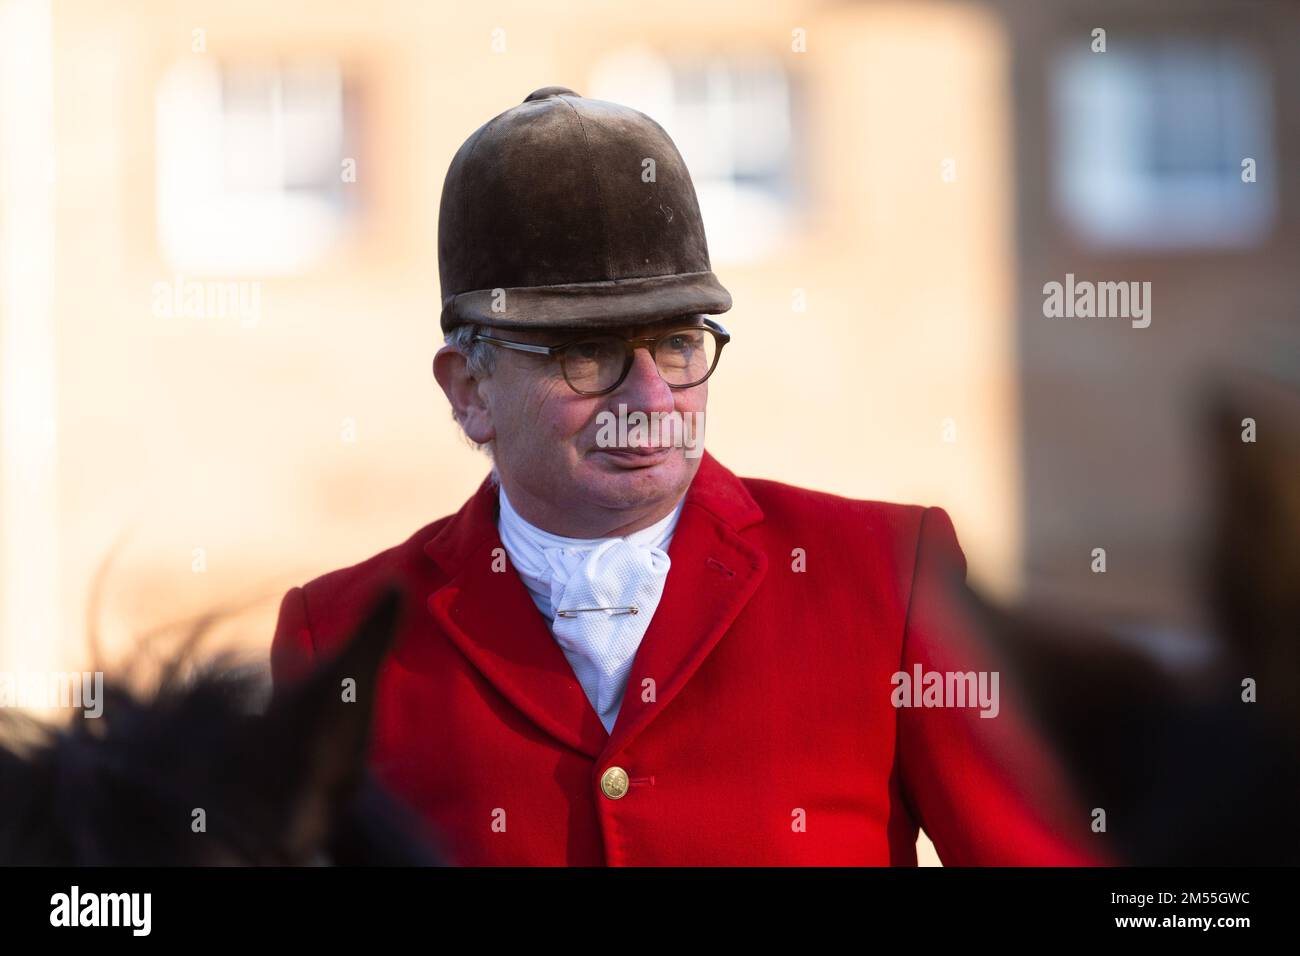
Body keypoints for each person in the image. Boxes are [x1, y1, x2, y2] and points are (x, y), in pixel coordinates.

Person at [271, 86, 1103, 865]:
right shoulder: (335, 636)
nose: (650, 397)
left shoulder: (888, 574)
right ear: (469, 389)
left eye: (676, 344)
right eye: (586, 354)